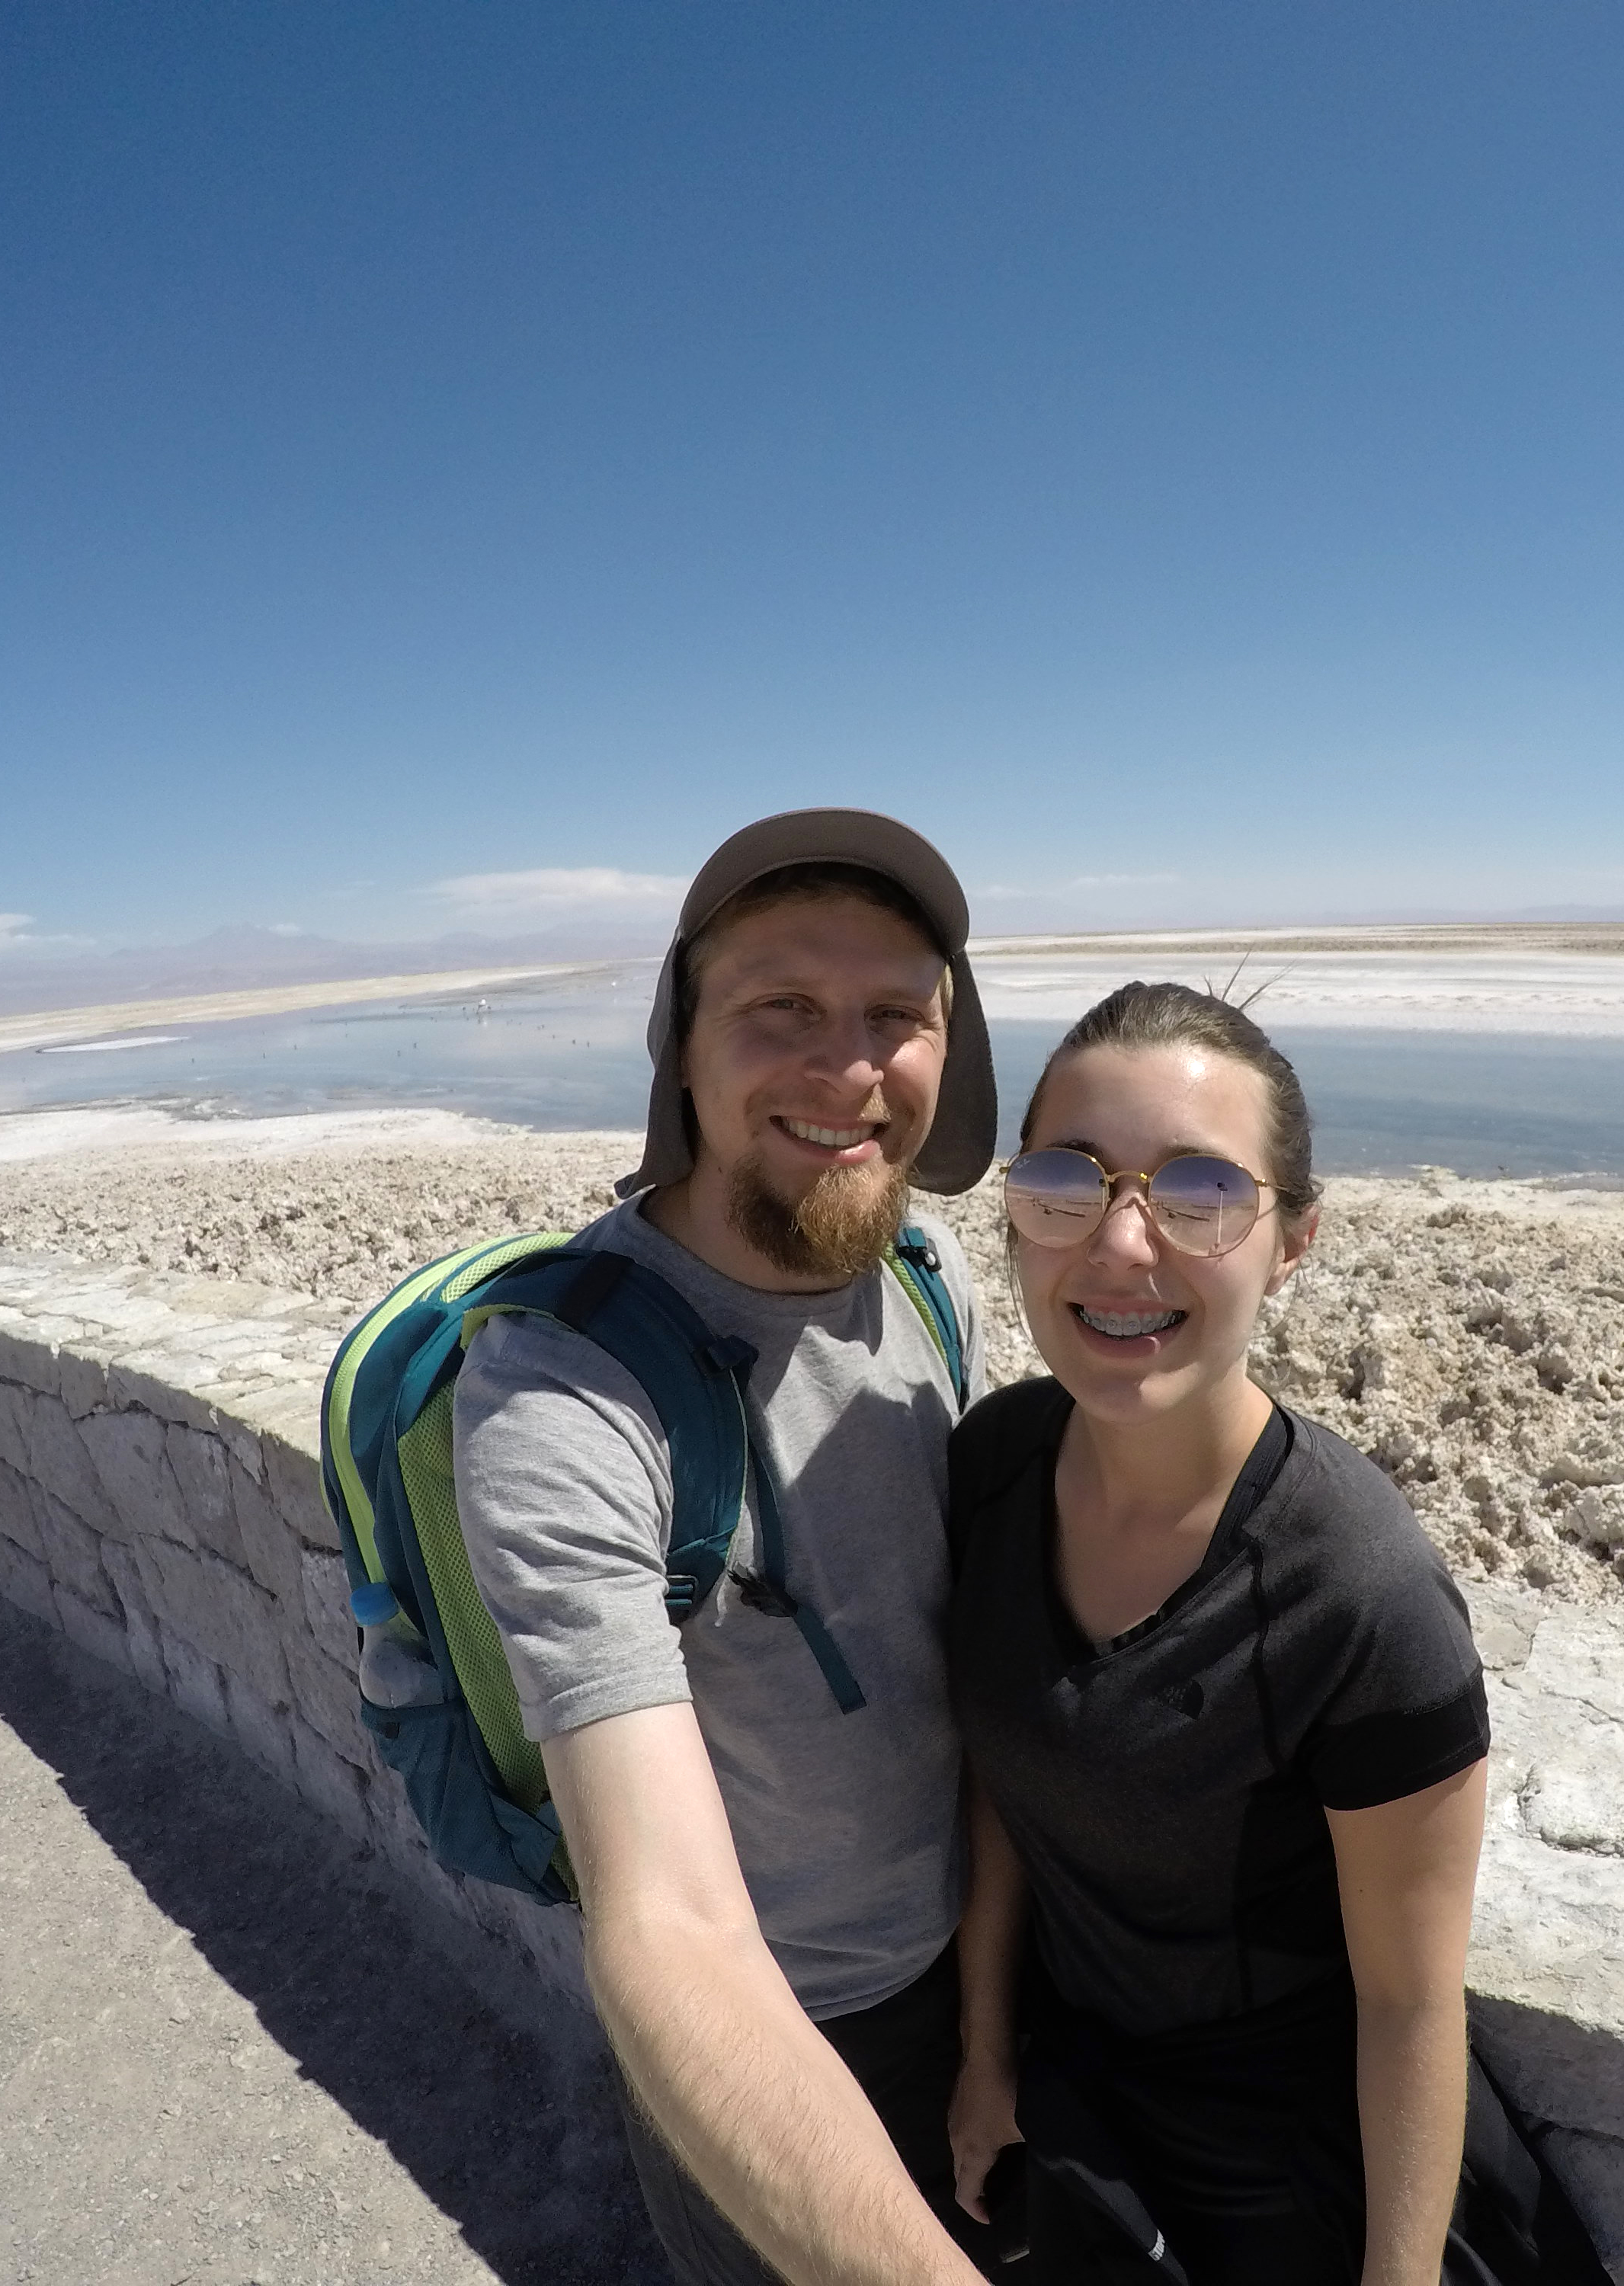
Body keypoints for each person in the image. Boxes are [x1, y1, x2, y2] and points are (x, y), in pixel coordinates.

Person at [943, 984, 1603, 2285]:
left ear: (1293, 1240)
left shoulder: (1354, 1591)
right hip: (1088, 2111)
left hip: (1293, 2169)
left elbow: (1410, 2006)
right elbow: (1003, 1781)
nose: (1123, 1250)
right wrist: (984, 2056)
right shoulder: (993, 1466)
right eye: (1068, 1184)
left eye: (1199, 1196)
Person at [454, 809, 1011, 2286]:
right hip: (767, 2035)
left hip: (975, 1976)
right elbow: (671, 1929)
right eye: (781, 1010)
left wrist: (995, 2014)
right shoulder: (563, 1391)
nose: (847, 1070)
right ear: (680, 1048)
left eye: (896, 1016)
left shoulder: (924, 1268)